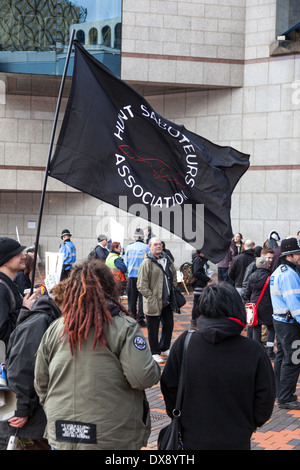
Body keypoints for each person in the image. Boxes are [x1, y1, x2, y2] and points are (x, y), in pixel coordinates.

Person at [34, 260, 160, 450]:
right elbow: (142, 377)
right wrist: (154, 366)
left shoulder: (56, 328)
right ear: (110, 288)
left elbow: (40, 382)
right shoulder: (124, 326)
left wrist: (56, 408)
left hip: (62, 432)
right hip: (110, 435)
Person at [160, 282, 276, 450]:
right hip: (236, 439)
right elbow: (265, 399)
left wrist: (178, 416)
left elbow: (169, 386)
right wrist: (248, 425)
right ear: (237, 309)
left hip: (190, 438)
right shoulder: (254, 351)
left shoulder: (185, 342)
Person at [0, 281, 66, 450]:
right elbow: (23, 367)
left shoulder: (48, 318)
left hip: (37, 416)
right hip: (29, 422)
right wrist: (21, 409)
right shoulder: (41, 322)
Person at [270, 237, 300, 410]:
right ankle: (286, 397)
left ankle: (280, 392)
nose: (299, 256)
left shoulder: (279, 271)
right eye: (297, 253)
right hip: (289, 323)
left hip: (280, 321)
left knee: (282, 356)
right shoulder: (289, 275)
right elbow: (295, 303)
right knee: (293, 359)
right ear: (289, 256)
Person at [137, 237, 177, 364]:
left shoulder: (167, 259)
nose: (158, 246)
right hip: (153, 302)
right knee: (153, 329)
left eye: (160, 244)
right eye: (155, 245)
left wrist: (173, 288)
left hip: (167, 301)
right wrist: (151, 298)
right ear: (150, 247)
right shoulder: (146, 263)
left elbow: (174, 274)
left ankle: (164, 348)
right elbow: (141, 285)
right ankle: (155, 352)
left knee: (169, 325)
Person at [0, 237, 36, 346]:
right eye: (17, 254)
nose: (24, 256)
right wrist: (25, 309)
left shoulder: (10, 283)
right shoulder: (1, 289)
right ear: (5, 260)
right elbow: (2, 331)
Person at [244, 257, 275, 359]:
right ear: (266, 265)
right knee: (271, 328)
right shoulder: (270, 277)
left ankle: (256, 351)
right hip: (268, 306)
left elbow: (247, 293)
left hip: (255, 306)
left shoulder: (252, 276)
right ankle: (270, 351)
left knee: (256, 328)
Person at [124, 228, 148, 327]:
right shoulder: (147, 248)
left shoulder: (129, 247)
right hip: (143, 277)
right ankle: (140, 319)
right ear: (143, 238)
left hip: (132, 277)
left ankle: (132, 318)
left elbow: (126, 263)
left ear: (134, 238)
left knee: (132, 299)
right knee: (142, 299)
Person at [191, 250, 211, 329]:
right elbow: (197, 272)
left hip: (201, 284)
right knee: (197, 303)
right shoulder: (198, 260)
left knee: (198, 303)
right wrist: (206, 278)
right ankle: (195, 320)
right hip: (198, 284)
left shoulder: (201, 260)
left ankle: (196, 319)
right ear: (201, 253)